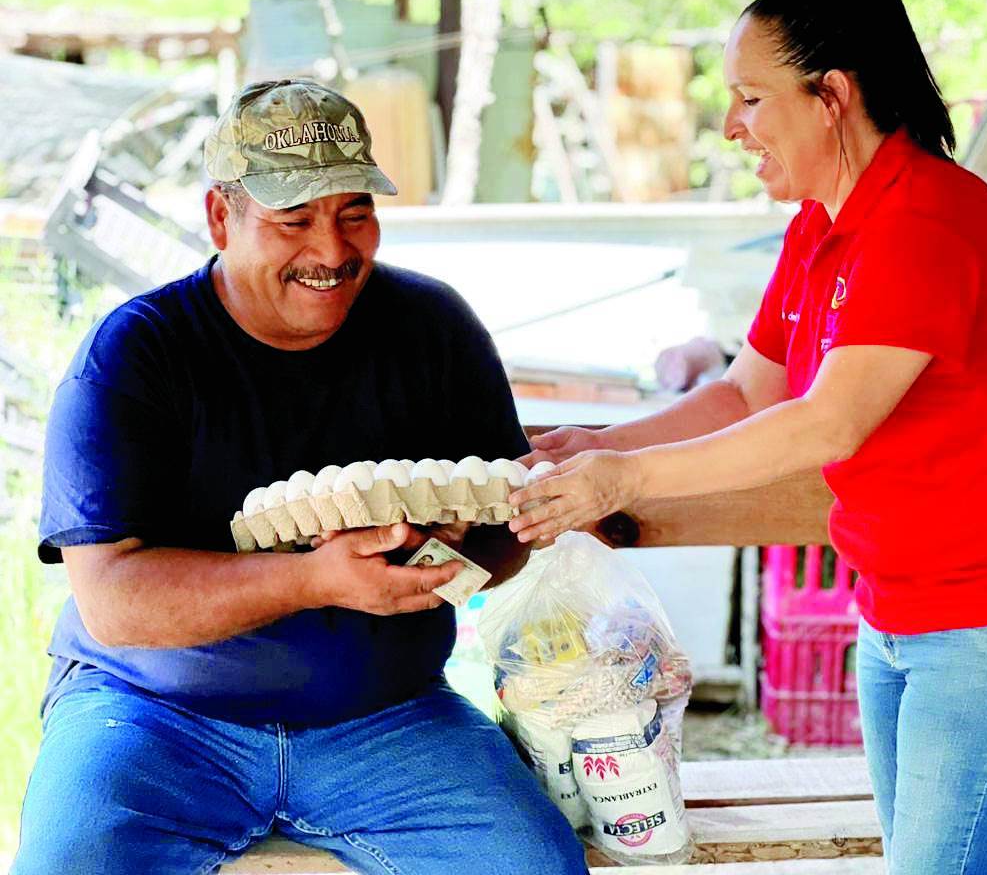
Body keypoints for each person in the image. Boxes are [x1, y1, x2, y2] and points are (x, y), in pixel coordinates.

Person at [510, 0, 987, 875]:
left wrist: (626, 482)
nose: (732, 126)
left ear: (831, 96)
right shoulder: (822, 226)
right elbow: (744, 394)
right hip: (901, 610)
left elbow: (826, 424)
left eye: (751, 98)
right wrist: (602, 444)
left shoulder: (924, 221)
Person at [16, 79, 587, 875]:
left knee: (534, 866)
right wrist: (316, 579)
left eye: (355, 213)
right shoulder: (135, 354)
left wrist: (454, 549)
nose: (331, 251)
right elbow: (112, 601)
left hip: (388, 718)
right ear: (222, 217)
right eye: (294, 220)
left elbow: (503, 529)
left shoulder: (434, 328)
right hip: (151, 718)